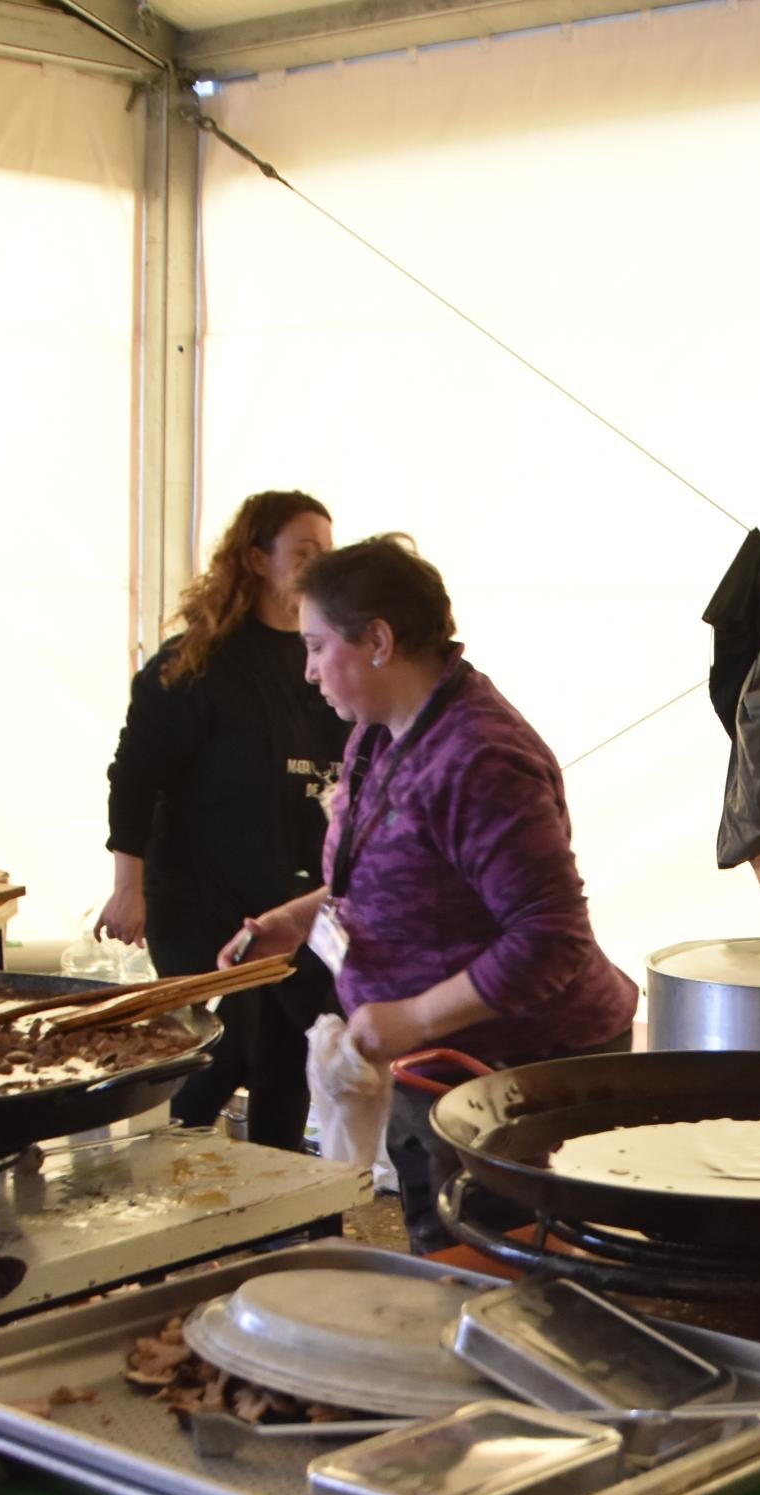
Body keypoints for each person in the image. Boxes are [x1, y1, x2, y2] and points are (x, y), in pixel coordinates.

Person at [224, 535, 636, 1248]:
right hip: (434, 1060)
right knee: (442, 1244)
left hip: (518, 1067)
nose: (309, 671)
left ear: (378, 640)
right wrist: (302, 917)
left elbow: (550, 938)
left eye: (319, 647)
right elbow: (398, 870)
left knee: (507, 1281)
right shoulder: (382, 732)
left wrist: (412, 1017)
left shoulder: (480, 757)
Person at [99, 491, 342, 1151]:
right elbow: (134, 776)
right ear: (257, 560)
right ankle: (158, 1171)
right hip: (197, 896)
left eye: (328, 551)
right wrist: (129, 888)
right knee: (228, 1046)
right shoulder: (196, 664)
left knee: (289, 1055)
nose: (320, 564)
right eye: (304, 552)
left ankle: (280, 1211)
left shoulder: (328, 659)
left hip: (292, 899)